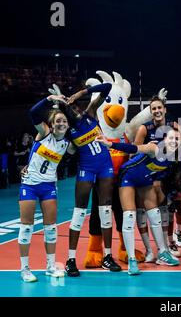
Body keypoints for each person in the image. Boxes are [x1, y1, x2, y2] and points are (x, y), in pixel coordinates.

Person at [96, 128, 181, 274]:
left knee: (155, 214)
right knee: (129, 216)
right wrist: (110, 145)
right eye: (171, 138)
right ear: (164, 139)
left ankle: (162, 253)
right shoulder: (154, 148)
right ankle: (131, 261)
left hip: (145, 180)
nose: (174, 141)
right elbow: (133, 148)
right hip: (128, 176)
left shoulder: (174, 158)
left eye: (177, 139)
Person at [58, 83, 122, 277]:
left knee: (105, 211)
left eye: (75, 105)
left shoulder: (90, 113)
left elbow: (107, 87)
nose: (74, 108)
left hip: (105, 167)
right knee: (79, 213)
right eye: (70, 108)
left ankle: (108, 256)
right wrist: (56, 102)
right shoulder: (68, 132)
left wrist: (80, 93)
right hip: (86, 169)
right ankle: (70, 260)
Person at [18, 94, 75, 282]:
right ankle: (24, 269)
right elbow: (33, 112)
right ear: (51, 123)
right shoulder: (43, 133)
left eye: (64, 121)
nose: (61, 123)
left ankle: (50, 266)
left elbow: (81, 140)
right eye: (58, 120)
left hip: (49, 185)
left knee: (50, 228)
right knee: (26, 228)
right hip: (30, 184)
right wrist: (50, 99)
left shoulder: (67, 143)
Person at [134, 96, 181, 261]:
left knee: (167, 210)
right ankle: (148, 249)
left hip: (167, 175)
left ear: (165, 109)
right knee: (143, 211)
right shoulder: (144, 129)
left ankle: (167, 245)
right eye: (153, 108)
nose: (157, 111)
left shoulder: (174, 127)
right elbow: (135, 153)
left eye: (159, 108)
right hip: (146, 176)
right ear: (151, 111)